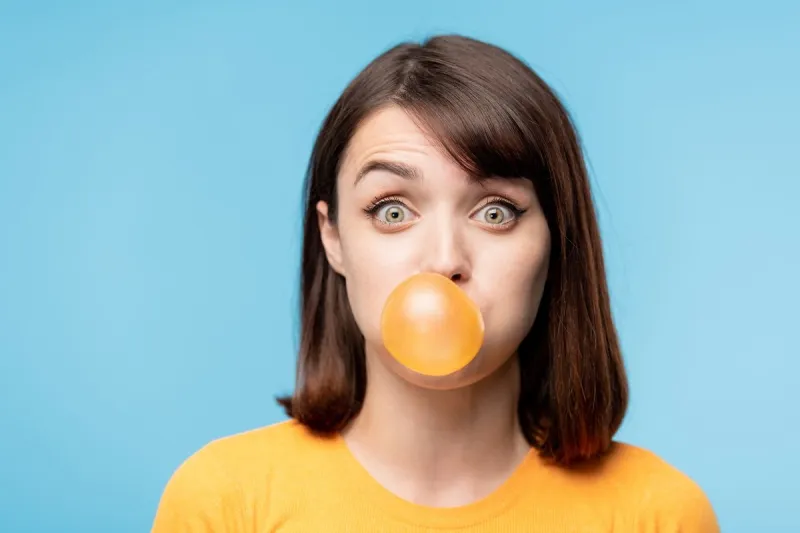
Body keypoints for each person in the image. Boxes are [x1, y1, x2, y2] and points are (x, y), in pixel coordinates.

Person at [151, 34, 719, 532]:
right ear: (334, 237)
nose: (445, 259)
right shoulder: (224, 504)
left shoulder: (660, 515)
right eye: (392, 211)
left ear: (557, 239)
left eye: (495, 211)